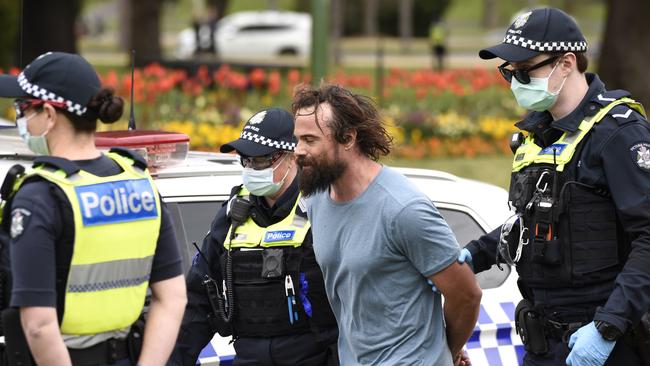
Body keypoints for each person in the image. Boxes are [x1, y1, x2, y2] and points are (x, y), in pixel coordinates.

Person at [462, 7, 650, 365]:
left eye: (524, 70)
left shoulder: (617, 134)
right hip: (542, 342)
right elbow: (536, 221)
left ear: (566, 63)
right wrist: (472, 255)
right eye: (509, 73)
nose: (515, 81)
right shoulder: (537, 135)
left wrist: (608, 327)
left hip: (604, 341)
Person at [0, 52, 187, 365]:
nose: (19, 118)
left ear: (48, 114)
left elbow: (39, 325)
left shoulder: (39, 196)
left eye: (23, 108)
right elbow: (172, 298)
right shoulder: (140, 184)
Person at [291, 84, 481, 366]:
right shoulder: (317, 199)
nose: (298, 151)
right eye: (297, 139)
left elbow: (466, 295)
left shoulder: (403, 209)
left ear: (348, 138)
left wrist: (444, 352)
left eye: (310, 140)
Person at [169, 108, 339, 366]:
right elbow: (197, 300)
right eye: (245, 159)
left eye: (260, 160)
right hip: (248, 357)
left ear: (291, 157)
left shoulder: (323, 207)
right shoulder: (232, 215)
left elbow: (356, 301)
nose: (250, 168)